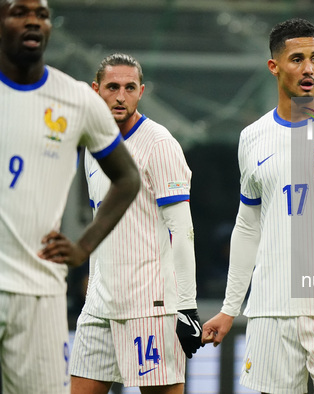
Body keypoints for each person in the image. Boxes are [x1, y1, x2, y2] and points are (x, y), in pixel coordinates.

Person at [202, 18, 314, 393]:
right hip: (271, 312)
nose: (308, 68)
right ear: (274, 66)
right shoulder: (252, 137)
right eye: (297, 59)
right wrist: (230, 307)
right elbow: (247, 226)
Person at [0, 0, 140, 393]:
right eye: (18, 12)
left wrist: (83, 249)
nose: (32, 21)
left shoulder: (75, 98)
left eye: (41, 15)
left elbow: (127, 178)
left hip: (40, 292)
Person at [69, 53, 202, 394]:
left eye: (130, 88)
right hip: (99, 304)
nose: (120, 96)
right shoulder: (92, 146)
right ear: (95, 90)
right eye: (112, 87)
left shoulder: (159, 145)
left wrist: (186, 306)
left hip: (151, 308)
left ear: (141, 91)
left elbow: (182, 232)